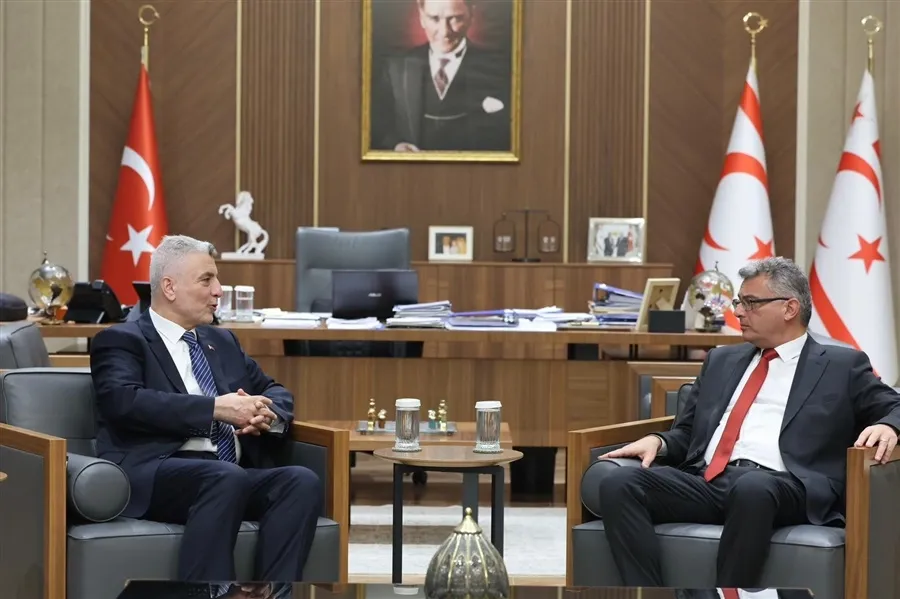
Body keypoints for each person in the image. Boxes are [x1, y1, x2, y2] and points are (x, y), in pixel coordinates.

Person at [598, 256, 900, 587]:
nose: (739, 312)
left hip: (786, 485)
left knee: (752, 487)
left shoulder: (841, 365)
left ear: (789, 308)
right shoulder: (721, 360)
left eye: (751, 303)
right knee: (620, 483)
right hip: (709, 480)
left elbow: (895, 406)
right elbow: (687, 432)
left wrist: (889, 425)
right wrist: (660, 441)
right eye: (738, 303)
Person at [90, 234, 321, 582]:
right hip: (156, 472)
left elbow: (274, 390)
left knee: (299, 481)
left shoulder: (221, 340)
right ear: (170, 287)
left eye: (217, 280)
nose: (218, 291)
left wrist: (267, 413)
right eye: (206, 280)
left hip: (228, 474)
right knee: (224, 477)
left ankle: (274, 592)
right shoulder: (122, 340)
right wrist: (214, 409)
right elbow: (124, 402)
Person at [370, 0, 511, 152]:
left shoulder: (501, 69)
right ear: (421, 17)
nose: (444, 32)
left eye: (455, 18)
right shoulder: (395, 67)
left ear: (471, 15)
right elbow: (377, 125)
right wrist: (396, 145)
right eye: (434, 18)